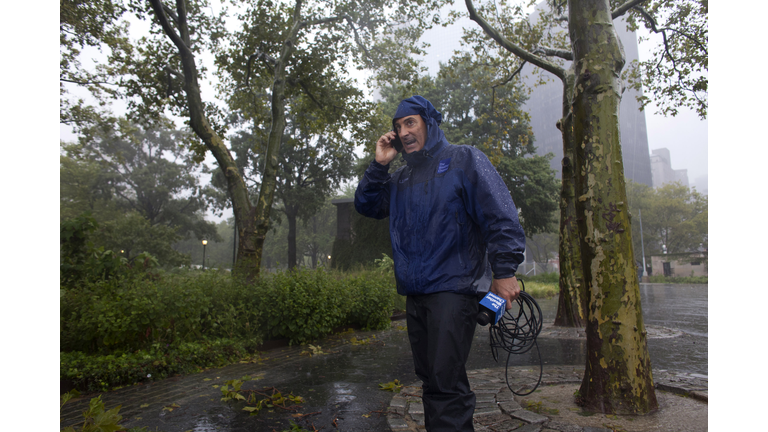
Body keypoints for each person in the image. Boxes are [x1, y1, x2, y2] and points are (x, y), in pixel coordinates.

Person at [354, 96, 526, 431]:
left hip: (454, 289)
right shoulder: (401, 179)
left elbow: (500, 216)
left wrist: (504, 273)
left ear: (429, 123)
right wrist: (379, 165)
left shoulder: (463, 159)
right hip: (416, 294)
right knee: (432, 379)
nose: (403, 132)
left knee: (445, 382)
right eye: (398, 126)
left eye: (410, 123)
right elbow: (367, 205)